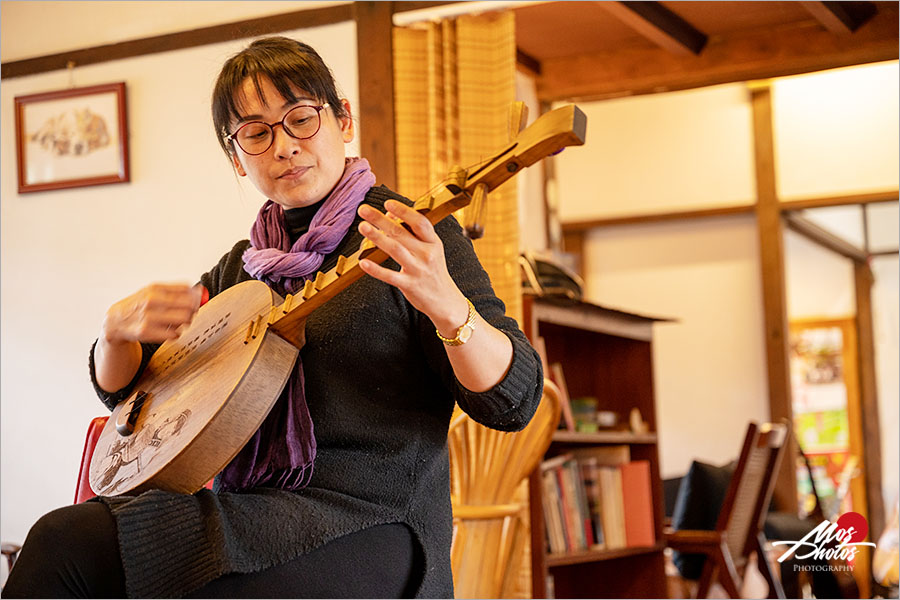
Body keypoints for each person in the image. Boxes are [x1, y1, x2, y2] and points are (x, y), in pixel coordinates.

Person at [3, 36, 543, 598]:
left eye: (301, 119)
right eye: (256, 133)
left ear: (343, 119)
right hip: (248, 512)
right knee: (59, 540)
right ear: (237, 157)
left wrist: (446, 304)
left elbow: (515, 401)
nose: (283, 146)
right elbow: (139, 398)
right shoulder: (240, 268)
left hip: (377, 522)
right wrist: (114, 334)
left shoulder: (410, 234)